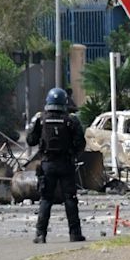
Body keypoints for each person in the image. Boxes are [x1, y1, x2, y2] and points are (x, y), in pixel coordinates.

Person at [26, 87, 86, 243]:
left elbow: (30, 140)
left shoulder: (41, 119)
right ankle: (75, 234)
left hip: (47, 164)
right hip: (66, 164)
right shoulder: (71, 120)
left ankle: (40, 235)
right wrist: (72, 152)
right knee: (70, 199)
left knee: (46, 199)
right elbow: (81, 143)